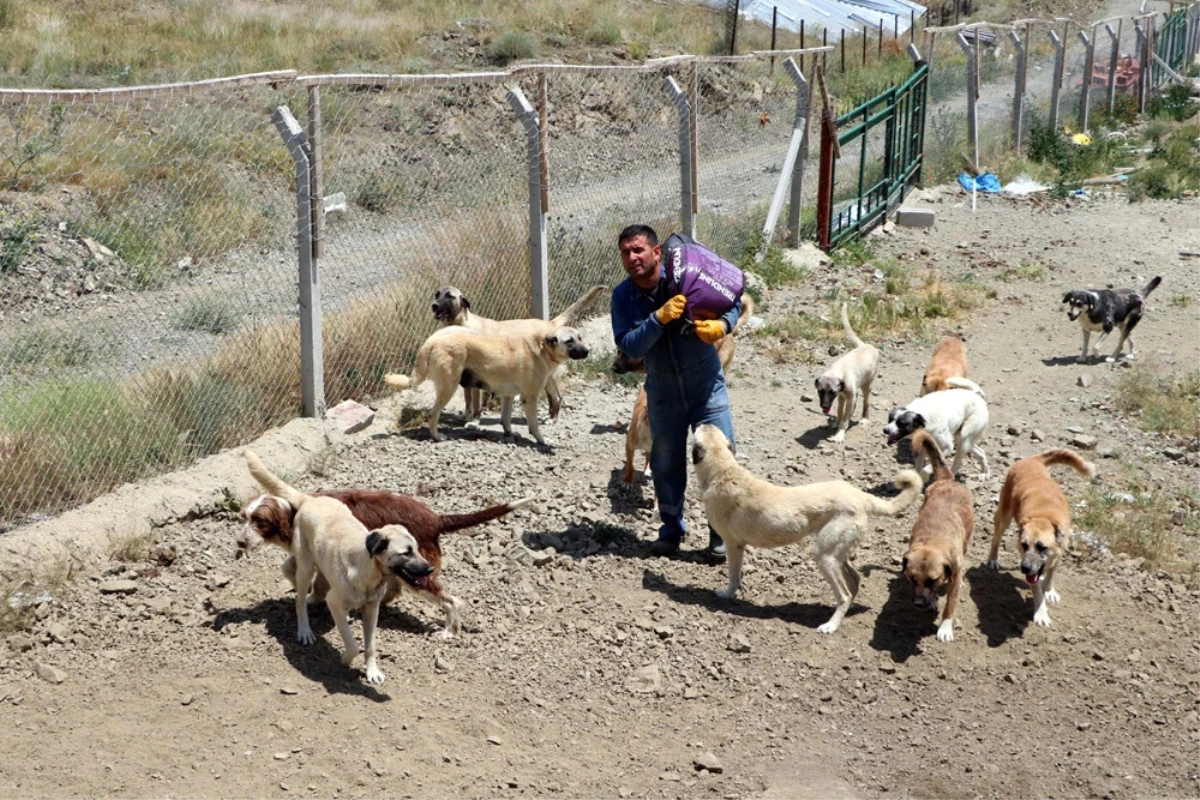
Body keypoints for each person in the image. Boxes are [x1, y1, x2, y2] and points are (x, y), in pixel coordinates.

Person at [611, 224, 742, 558]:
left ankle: (720, 536)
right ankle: (670, 532)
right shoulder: (623, 297)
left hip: (706, 387)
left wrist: (723, 325)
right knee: (666, 463)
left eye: (638, 250)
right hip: (663, 392)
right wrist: (657, 319)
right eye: (626, 252)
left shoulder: (687, 276)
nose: (632, 257)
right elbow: (628, 344)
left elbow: (732, 300)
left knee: (721, 459)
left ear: (657, 253)